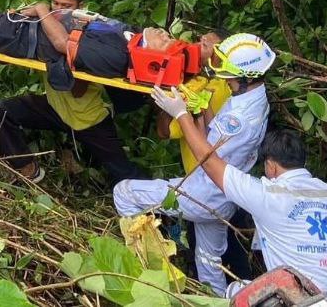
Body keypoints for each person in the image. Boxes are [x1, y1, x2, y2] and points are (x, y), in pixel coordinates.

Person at [150, 101, 327, 306]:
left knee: (234, 291)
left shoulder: (269, 196)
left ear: (271, 165)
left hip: (312, 302)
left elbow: (210, 162)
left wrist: (181, 113)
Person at [114, 33, 273, 296]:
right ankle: (217, 300)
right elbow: (213, 137)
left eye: (228, 72)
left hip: (205, 194)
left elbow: (206, 157)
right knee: (209, 262)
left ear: (245, 75)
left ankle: (148, 269)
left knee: (124, 192)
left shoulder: (241, 116)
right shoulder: (253, 98)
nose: (224, 77)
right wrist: (200, 110)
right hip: (225, 197)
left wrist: (180, 114)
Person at [0, 0, 144, 185]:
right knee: (3, 111)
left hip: (88, 119)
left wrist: (45, 15)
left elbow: (77, 89)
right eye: (55, 4)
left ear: (81, 7)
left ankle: (151, 199)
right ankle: (28, 169)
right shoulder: (45, 24)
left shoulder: (91, 33)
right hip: (55, 108)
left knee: (123, 171)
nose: (59, 10)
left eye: (66, 6)